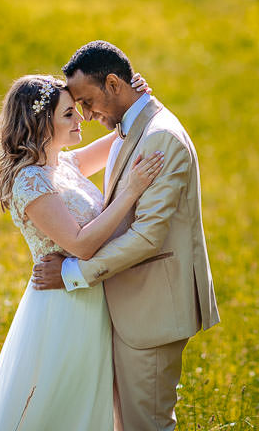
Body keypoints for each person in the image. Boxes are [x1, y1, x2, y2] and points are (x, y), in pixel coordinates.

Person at [32, 40, 220, 431]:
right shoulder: (128, 128)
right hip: (125, 304)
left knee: (145, 426)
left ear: (114, 84)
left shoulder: (159, 137)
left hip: (151, 307)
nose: (85, 114)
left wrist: (72, 273)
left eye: (87, 102)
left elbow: (148, 237)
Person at [0, 72, 161, 431]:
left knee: (87, 403)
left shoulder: (65, 164)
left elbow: (121, 135)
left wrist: (137, 101)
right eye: (69, 114)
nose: (81, 120)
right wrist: (131, 192)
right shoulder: (29, 180)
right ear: (42, 123)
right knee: (56, 404)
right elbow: (82, 245)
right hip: (62, 308)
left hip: (91, 297)